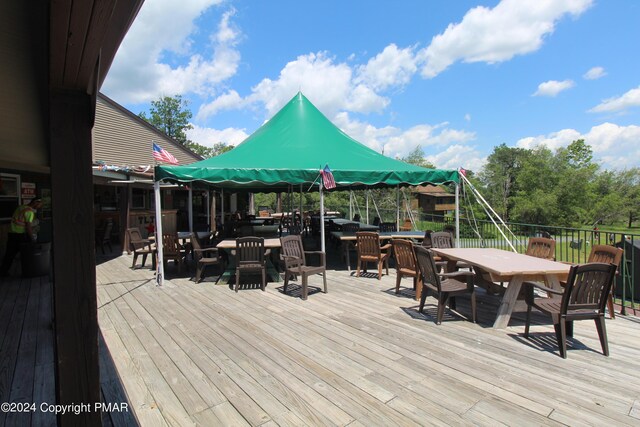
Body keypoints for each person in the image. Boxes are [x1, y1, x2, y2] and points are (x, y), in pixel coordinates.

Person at [1, 198, 43, 277]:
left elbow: (19, 221)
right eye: (40, 205)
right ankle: (28, 271)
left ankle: (3, 272)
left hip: (11, 233)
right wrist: (32, 238)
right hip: (21, 236)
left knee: (9, 254)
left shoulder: (20, 207)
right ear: (35, 202)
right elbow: (28, 227)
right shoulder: (29, 212)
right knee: (27, 255)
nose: (40, 207)